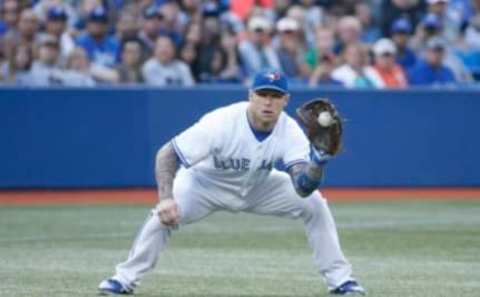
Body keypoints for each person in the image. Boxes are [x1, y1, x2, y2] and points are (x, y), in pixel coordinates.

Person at [98, 69, 365, 296]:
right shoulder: (221, 122)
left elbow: (303, 188)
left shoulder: (290, 130)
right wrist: (166, 198)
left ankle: (340, 280)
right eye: (262, 94)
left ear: (286, 100)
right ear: (250, 96)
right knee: (162, 217)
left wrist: (316, 165)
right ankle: (123, 279)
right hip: (204, 185)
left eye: (275, 96)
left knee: (315, 205)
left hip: (259, 186)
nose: (268, 103)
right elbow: (167, 154)